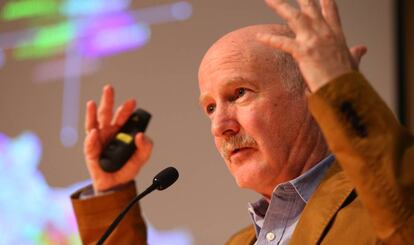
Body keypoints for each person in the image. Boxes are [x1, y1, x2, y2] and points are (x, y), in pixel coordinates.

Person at [71, 0, 414, 244]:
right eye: (208, 108)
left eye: (239, 93)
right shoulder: (239, 242)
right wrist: (112, 191)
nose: (220, 125)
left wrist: (341, 90)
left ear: (312, 91)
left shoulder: (380, 208)